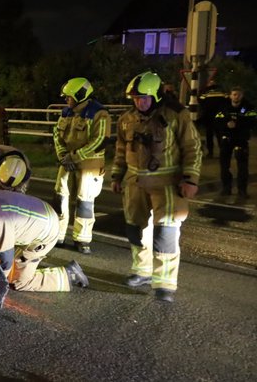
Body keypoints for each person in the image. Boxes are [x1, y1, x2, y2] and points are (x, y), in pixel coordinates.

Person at [111, 71, 202, 303]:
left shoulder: (177, 115)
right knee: (135, 228)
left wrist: (190, 179)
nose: (139, 103)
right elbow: (121, 150)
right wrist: (117, 176)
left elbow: (192, 148)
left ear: (156, 96)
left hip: (167, 183)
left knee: (166, 232)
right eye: (135, 98)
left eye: (143, 98)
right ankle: (141, 271)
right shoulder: (126, 119)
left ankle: (164, 283)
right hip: (134, 183)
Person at [52, 77, 111, 255]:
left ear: (79, 95)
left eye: (68, 97)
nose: (66, 100)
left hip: (89, 164)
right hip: (67, 161)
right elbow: (57, 135)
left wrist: (74, 157)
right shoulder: (66, 113)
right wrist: (63, 155)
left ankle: (82, 238)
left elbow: (99, 141)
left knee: (84, 201)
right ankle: (58, 235)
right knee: (60, 198)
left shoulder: (99, 114)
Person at [213, 86, 255, 198]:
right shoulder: (224, 107)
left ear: (242, 96)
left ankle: (242, 190)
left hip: (241, 140)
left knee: (242, 167)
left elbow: (252, 122)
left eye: (239, 94)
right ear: (230, 96)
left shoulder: (248, 108)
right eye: (234, 94)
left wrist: (237, 125)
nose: (236, 97)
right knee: (224, 166)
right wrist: (226, 124)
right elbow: (217, 121)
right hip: (227, 139)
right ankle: (226, 188)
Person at [198, 81, 229, 158]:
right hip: (212, 116)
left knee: (218, 134)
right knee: (212, 135)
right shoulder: (208, 91)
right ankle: (212, 152)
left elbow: (200, 100)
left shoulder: (218, 90)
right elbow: (200, 100)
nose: (211, 82)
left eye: (212, 81)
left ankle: (220, 152)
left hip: (215, 116)